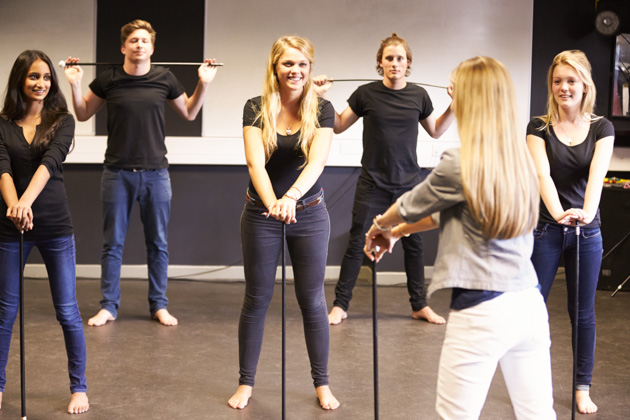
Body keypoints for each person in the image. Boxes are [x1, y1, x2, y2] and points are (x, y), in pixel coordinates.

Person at [364, 57, 556, 419]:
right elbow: (445, 214)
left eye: (456, 90)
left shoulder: (460, 162)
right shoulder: (520, 161)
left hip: (482, 310)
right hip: (529, 306)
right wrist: (400, 233)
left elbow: (410, 204)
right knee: (538, 414)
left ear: (470, 100)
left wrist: (382, 226)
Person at [63, 19, 218, 326]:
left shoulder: (165, 78)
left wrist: (203, 83)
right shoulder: (108, 79)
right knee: (112, 244)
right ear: (124, 47)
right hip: (116, 173)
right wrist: (75, 82)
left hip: (156, 174)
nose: (139, 45)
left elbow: (189, 113)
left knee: (158, 243)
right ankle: (108, 306)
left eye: (145, 41)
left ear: (152, 48)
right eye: (134, 40)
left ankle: (159, 305)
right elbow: (82, 114)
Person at [228, 35, 339, 411]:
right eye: (288, 64)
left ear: (310, 69)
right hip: (261, 213)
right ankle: (245, 383)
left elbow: (317, 162)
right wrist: (274, 203)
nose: (295, 71)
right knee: (256, 299)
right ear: (275, 67)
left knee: (312, 301)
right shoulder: (254, 108)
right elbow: (255, 163)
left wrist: (290, 198)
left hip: (308, 213)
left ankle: (322, 384)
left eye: (302, 64)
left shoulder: (322, 109)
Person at [313, 33, 454, 325]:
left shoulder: (419, 95)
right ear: (380, 62)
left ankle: (419, 305)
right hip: (373, 183)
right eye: (389, 58)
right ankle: (340, 305)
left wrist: (455, 104)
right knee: (356, 244)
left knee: (413, 244)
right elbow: (338, 125)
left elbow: (437, 131)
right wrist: (320, 98)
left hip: (409, 184)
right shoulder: (366, 94)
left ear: (408, 63)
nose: (394, 63)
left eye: (399, 58)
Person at [0, 50, 89, 414]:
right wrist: (14, 207)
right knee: (4, 312)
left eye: (47, 77)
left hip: (53, 225)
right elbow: (2, 168)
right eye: (34, 76)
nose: (41, 84)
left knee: (67, 310)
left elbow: (49, 164)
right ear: (20, 79)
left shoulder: (62, 121)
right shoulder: (2, 123)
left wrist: (25, 203)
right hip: (9, 226)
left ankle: (79, 387)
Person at [526, 50, 615, 415]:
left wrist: (585, 214)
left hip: (587, 233)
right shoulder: (537, 127)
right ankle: (532, 385)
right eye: (558, 80)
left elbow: (597, 178)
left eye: (571, 81)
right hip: (548, 228)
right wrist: (560, 213)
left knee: (583, 314)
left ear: (585, 85)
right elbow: (542, 176)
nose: (564, 87)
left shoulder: (601, 128)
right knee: (533, 310)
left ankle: (581, 388)